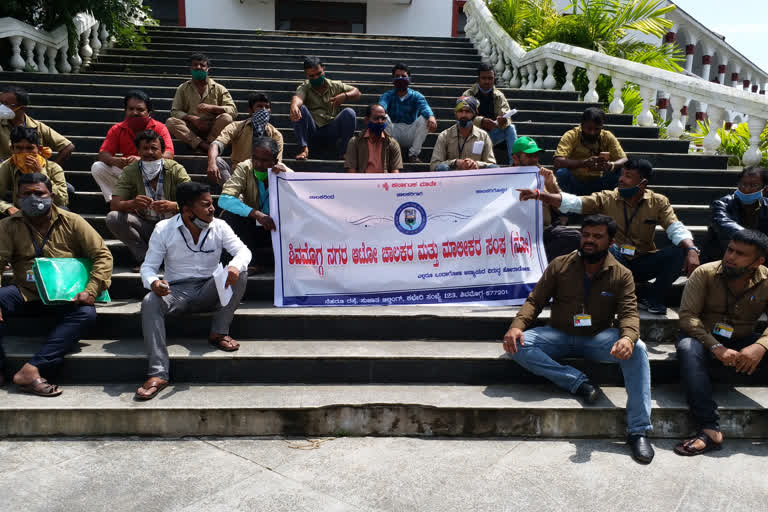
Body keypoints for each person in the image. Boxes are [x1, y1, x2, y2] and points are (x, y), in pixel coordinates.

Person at [503, 214, 654, 464]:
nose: (589, 241)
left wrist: (627, 338)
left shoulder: (622, 274)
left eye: (597, 236)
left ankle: (638, 431)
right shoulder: (560, 264)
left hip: (598, 338)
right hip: (559, 335)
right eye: (586, 235)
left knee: (638, 348)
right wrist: (516, 326)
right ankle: (577, 382)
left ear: (611, 241)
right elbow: (535, 301)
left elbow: (629, 312)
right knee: (517, 344)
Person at [518, 158, 700, 315]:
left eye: (628, 176)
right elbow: (575, 203)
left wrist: (691, 249)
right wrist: (540, 195)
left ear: (642, 183)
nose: (621, 179)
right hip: (614, 260)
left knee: (680, 252)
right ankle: (611, 294)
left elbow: (675, 227)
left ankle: (652, 297)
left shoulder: (658, 202)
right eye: (622, 174)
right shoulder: (607, 197)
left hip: (642, 259)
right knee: (605, 246)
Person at [0, 173, 113, 395]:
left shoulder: (73, 221)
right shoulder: (7, 225)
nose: (33, 198)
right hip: (25, 292)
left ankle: (34, 368)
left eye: (39, 193)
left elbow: (102, 255)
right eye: (27, 194)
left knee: (87, 314)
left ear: (51, 195)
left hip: (64, 295)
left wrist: (90, 290)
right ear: (17, 198)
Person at [136, 181, 251, 400]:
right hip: (176, 292)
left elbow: (242, 250)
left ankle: (219, 332)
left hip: (211, 288)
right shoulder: (164, 229)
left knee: (240, 272)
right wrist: (154, 283)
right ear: (187, 210)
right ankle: (158, 373)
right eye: (205, 205)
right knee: (150, 300)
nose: (212, 209)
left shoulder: (220, 226)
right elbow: (149, 267)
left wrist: (235, 266)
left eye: (212, 203)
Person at [675, 229, 768, 455]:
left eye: (740, 254)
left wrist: (760, 346)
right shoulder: (704, 273)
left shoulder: (766, 280)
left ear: (758, 262)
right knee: (687, 346)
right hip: (704, 344)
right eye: (730, 250)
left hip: (743, 348)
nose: (730, 257)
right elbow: (687, 318)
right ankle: (709, 429)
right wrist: (716, 346)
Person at [107, 130, 190, 271]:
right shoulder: (130, 171)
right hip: (147, 224)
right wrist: (132, 203)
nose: (149, 152)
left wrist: (174, 206)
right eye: (145, 148)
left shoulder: (176, 169)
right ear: (138, 151)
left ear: (162, 151)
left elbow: (194, 200)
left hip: (174, 225)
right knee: (113, 218)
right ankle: (147, 259)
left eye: (154, 148)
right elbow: (115, 204)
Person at [219, 137, 292, 274]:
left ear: (275, 161)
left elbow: (301, 204)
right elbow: (224, 199)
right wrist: (256, 214)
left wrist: (286, 180)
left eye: (264, 161)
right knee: (229, 214)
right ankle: (250, 262)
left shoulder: (286, 173)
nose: (258, 164)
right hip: (252, 227)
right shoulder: (245, 167)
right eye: (255, 158)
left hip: (277, 230)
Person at [91, 90, 174, 202]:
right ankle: (117, 202)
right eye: (131, 109)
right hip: (128, 173)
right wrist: (117, 161)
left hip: (153, 173)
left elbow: (169, 155)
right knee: (98, 167)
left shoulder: (159, 128)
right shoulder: (117, 128)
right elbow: (103, 154)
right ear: (126, 110)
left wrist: (142, 160)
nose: (134, 112)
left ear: (149, 112)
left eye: (140, 109)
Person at [511, 136, 580, 261]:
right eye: (529, 156)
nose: (534, 159)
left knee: (574, 237)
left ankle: (542, 264)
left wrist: (551, 185)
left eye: (536, 155)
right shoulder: (503, 177)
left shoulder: (545, 176)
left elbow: (563, 210)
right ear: (515, 158)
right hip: (513, 233)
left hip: (543, 232)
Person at [290, 56, 361, 160]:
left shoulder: (334, 85)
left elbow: (357, 92)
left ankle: (344, 151)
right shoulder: (304, 87)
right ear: (307, 75)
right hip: (312, 131)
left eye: (319, 74)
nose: (316, 78)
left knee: (349, 112)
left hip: (331, 130)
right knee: (300, 108)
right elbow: (298, 97)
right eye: (311, 76)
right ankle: (304, 149)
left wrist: (344, 96)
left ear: (323, 69)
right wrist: (294, 105)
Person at [166, 53, 237, 156]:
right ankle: (204, 146)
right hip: (191, 129)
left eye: (202, 65)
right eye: (195, 65)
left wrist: (212, 108)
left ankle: (209, 142)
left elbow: (233, 111)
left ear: (208, 68)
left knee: (227, 118)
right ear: (190, 68)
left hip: (213, 128)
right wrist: (193, 119)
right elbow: (174, 111)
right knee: (170, 122)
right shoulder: (183, 88)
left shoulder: (219, 88)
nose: (198, 67)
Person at [207, 92, 283, 185]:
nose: (264, 110)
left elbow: (277, 162)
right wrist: (211, 163)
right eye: (259, 106)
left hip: (262, 177)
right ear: (250, 110)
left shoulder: (276, 134)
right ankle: (236, 194)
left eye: (267, 107)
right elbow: (217, 144)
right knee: (217, 161)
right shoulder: (237, 127)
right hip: (238, 174)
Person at [554, 107, 628, 195]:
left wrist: (611, 165)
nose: (592, 132)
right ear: (582, 126)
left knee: (620, 172)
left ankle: (611, 204)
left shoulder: (607, 136)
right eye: (589, 129)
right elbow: (558, 161)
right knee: (562, 173)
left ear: (602, 126)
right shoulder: (571, 135)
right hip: (575, 183)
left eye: (597, 129)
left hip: (601, 183)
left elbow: (624, 160)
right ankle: (566, 206)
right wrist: (584, 163)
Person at [0, 126, 70, 216]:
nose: (24, 152)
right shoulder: (6, 166)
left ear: (39, 150)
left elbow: (62, 200)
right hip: (18, 213)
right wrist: (8, 207)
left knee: (63, 211)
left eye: (30, 148)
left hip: (45, 212)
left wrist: (41, 173)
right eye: (19, 148)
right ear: (12, 149)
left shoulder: (54, 168)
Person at [703, 166, 768, 262]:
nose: (746, 189)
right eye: (743, 184)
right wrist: (757, 241)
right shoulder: (722, 204)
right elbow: (724, 225)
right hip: (723, 260)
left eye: (753, 185)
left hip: (759, 262)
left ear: (765, 189)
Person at [378, 63, 437, 163]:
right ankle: (389, 153)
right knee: (382, 116)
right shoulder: (387, 96)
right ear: (393, 80)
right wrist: (380, 113)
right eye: (397, 76)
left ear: (410, 79)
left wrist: (431, 117)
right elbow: (381, 107)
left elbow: (425, 107)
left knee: (425, 118)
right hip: (393, 132)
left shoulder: (417, 96)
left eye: (403, 76)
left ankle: (413, 154)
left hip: (410, 133)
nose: (400, 79)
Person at [0, 85, 75, 163]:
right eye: (1, 102)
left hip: (33, 171)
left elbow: (68, 146)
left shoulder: (37, 127)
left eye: (6, 104)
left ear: (22, 107)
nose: (2, 107)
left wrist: (51, 169)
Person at [462, 63, 517, 162]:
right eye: (484, 78)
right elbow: (462, 117)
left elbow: (505, 112)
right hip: (473, 136)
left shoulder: (499, 96)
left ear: (494, 79)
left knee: (511, 128)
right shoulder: (468, 95)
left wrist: (503, 120)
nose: (487, 81)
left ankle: (515, 163)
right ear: (478, 79)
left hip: (492, 135)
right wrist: (481, 121)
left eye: (490, 78)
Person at [430, 96, 496, 172]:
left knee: (494, 168)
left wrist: (476, 164)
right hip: (452, 178)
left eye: (468, 111)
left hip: (476, 177)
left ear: (474, 115)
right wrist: (455, 162)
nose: (463, 115)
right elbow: (434, 165)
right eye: (460, 111)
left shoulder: (483, 136)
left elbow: (491, 163)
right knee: (441, 168)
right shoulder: (445, 135)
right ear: (456, 113)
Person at [344, 104, 402, 174]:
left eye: (383, 118)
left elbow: (395, 174)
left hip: (383, 183)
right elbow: (351, 173)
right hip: (362, 182)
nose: (380, 121)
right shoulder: (355, 142)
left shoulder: (392, 143)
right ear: (367, 120)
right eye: (376, 118)